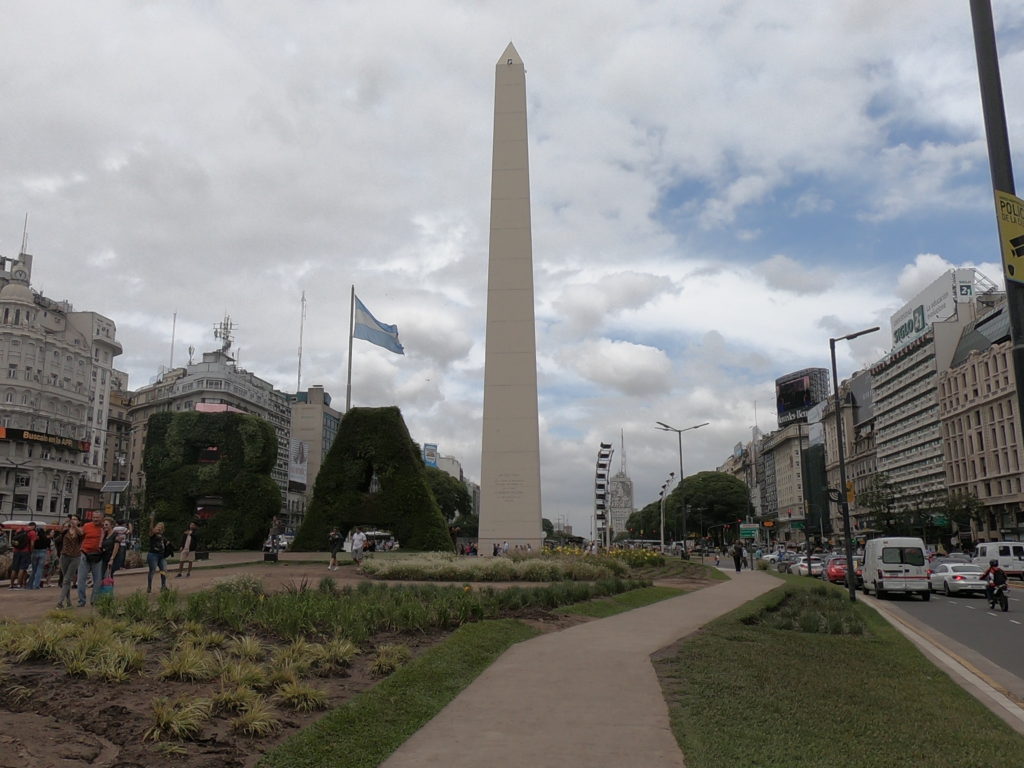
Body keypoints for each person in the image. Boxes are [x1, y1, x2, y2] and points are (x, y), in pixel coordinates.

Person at [76, 515, 106, 607]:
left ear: (102, 518)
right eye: (94, 517)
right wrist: (74, 526)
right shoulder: (87, 526)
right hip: (85, 553)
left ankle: (94, 600)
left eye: (98, 517)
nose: (96, 519)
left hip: (97, 556)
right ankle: (81, 601)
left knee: (97, 579)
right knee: (81, 579)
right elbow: (80, 533)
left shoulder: (104, 527)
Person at [56, 515, 82, 609]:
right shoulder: (66, 531)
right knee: (65, 580)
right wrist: (64, 523)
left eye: (75, 519)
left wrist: (75, 526)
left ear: (78, 522)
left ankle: (60, 602)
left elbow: (81, 534)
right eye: (72, 519)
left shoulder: (80, 531)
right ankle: (69, 602)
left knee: (67, 579)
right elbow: (60, 530)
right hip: (64, 556)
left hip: (75, 557)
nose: (73, 521)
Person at [147, 522, 170, 593]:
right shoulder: (153, 535)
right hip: (153, 555)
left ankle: (163, 586)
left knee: (163, 570)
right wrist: (151, 520)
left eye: (161, 527)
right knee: (152, 571)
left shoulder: (162, 536)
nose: (159, 528)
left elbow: (166, 544)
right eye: (158, 526)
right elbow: (151, 530)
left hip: (161, 555)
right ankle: (149, 586)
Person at [8, 525, 33, 589]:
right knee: (22, 568)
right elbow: (31, 543)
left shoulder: (17, 534)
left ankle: (11, 584)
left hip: (16, 552)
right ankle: (19, 584)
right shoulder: (27, 534)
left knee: (14, 569)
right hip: (25, 552)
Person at [29, 523, 49, 589]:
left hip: (34, 552)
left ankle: (30, 585)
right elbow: (48, 547)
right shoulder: (45, 538)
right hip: (43, 552)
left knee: (33, 570)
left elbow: (31, 543)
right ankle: (36, 585)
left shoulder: (36, 538)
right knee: (39, 569)